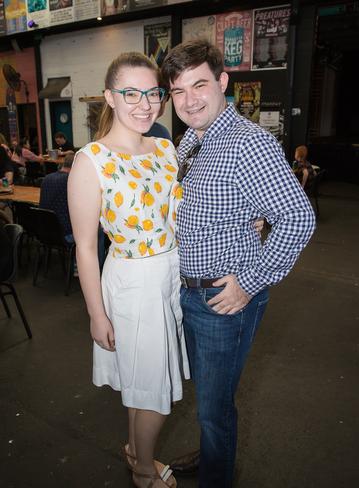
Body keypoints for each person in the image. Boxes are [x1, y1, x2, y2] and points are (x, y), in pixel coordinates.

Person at [161, 39, 316, 488]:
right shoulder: (191, 138)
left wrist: (249, 283)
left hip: (223, 300)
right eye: (178, 90)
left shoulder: (249, 143)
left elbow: (298, 218)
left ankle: (216, 474)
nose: (189, 100)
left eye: (199, 85)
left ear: (222, 82)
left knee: (214, 406)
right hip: (189, 290)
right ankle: (212, 451)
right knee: (208, 395)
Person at [68, 52, 190, 488]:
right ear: (110, 97)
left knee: (143, 379)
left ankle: (136, 451)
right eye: (131, 93)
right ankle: (143, 470)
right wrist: (96, 315)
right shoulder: (91, 161)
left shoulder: (164, 147)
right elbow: (85, 247)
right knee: (155, 392)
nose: (146, 104)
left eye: (153, 93)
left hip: (173, 277)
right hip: (133, 282)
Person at [39, 152, 74, 241]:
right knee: (97, 230)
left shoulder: (46, 178)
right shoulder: (71, 181)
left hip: (44, 229)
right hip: (66, 233)